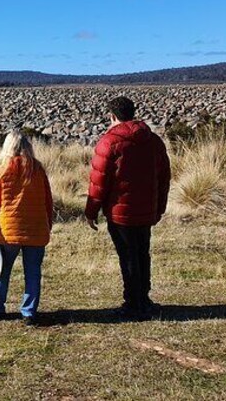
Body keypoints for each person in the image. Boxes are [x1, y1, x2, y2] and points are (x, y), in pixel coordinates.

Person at [84, 96, 171, 321]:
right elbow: (163, 177)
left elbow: (99, 181)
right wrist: (159, 207)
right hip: (146, 210)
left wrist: (91, 211)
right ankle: (143, 298)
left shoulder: (109, 143)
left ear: (112, 116)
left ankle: (134, 303)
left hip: (119, 212)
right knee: (142, 253)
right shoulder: (153, 140)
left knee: (128, 256)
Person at [0, 131, 53, 326]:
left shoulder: (1, 170)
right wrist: (49, 224)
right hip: (36, 230)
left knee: (1, 271)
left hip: (7, 232)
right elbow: (48, 201)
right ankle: (29, 312)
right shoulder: (38, 170)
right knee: (33, 272)